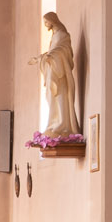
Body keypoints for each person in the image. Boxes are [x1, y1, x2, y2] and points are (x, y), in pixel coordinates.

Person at [31, 10, 78, 138]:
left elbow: (65, 51)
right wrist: (41, 58)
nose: (45, 24)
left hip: (60, 72)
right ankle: (54, 122)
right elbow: (53, 51)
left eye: (46, 21)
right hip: (52, 70)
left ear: (52, 20)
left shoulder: (62, 35)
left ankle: (63, 123)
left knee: (60, 95)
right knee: (51, 97)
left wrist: (50, 55)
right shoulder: (54, 35)